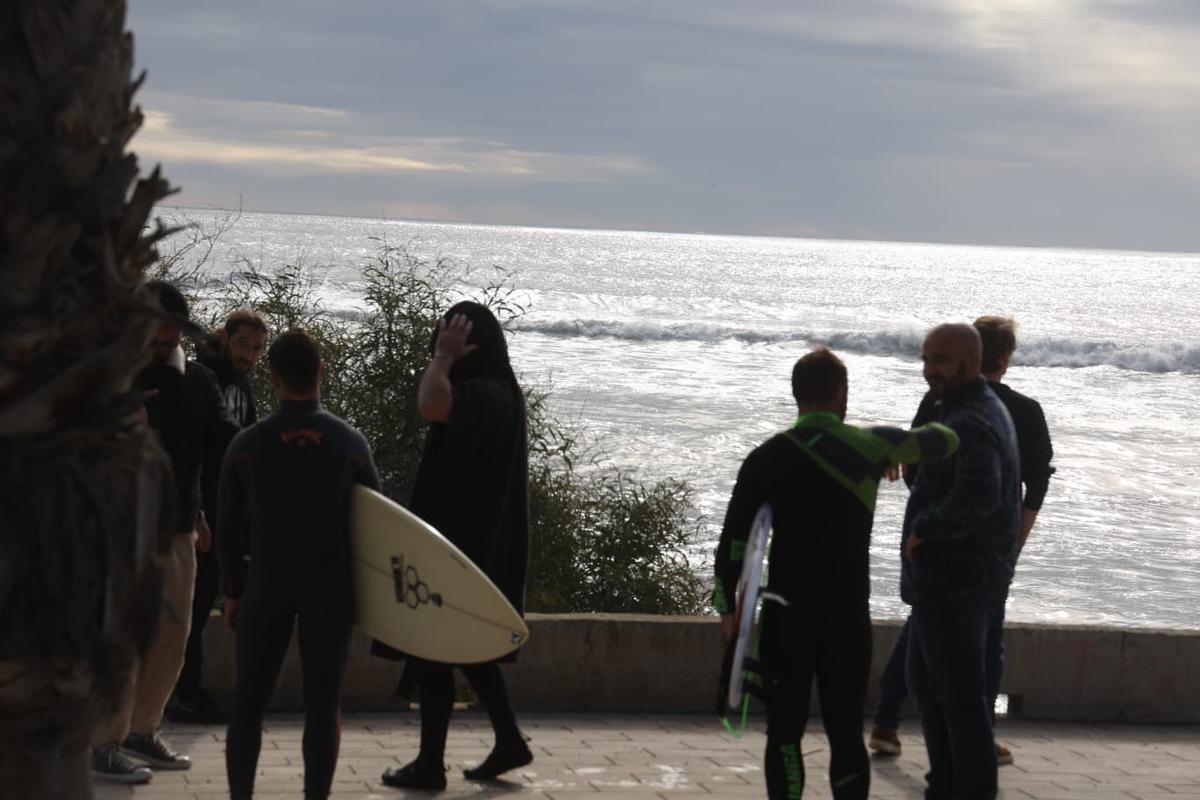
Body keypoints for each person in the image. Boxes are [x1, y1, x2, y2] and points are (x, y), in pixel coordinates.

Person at [713, 348, 960, 800]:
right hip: (846, 617)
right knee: (845, 733)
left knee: (783, 733)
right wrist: (893, 447)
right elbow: (946, 440)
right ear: (841, 394)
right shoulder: (872, 446)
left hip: (785, 617)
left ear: (796, 395)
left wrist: (727, 608)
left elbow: (734, 542)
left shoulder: (765, 458)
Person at [868, 317, 1054, 765]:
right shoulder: (1022, 411)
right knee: (983, 646)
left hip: (937, 550)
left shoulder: (938, 402)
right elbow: (1034, 485)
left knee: (923, 627)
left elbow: (912, 465)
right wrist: (1014, 539)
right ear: (1004, 357)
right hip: (985, 551)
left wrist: (926, 518)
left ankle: (888, 720)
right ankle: (976, 742)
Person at [218, 329, 381, 800]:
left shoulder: (247, 444)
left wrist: (233, 592)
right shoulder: (349, 443)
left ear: (274, 380)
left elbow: (228, 526)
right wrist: (368, 598)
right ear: (321, 372)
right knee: (323, 706)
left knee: (248, 705)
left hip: (265, 584)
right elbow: (376, 525)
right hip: (330, 588)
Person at [377, 302, 531, 792]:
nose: (438, 347)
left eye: (449, 339)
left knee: (434, 652)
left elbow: (431, 404)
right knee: (460, 652)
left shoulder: (486, 393)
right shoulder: (499, 390)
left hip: (461, 548)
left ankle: (430, 766)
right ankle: (508, 740)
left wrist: (443, 358)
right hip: (467, 546)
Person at [92, 280, 239, 783]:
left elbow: (223, 442)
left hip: (178, 528)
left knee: (173, 637)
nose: (163, 341)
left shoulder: (199, 381)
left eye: (170, 332)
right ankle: (103, 742)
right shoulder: (110, 379)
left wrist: (199, 513)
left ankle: (141, 732)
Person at [901, 323, 1020, 800]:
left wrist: (925, 529)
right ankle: (944, 785)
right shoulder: (962, 407)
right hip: (959, 580)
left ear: (972, 362)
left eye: (941, 361)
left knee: (959, 701)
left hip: (957, 581)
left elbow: (980, 496)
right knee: (929, 685)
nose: (930, 370)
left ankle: (964, 789)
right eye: (926, 359)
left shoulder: (970, 420)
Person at [169, 309, 268, 724]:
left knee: (204, 597)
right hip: (201, 510)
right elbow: (187, 450)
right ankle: (180, 692)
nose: (249, 355)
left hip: (225, 509)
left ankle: (189, 689)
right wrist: (196, 511)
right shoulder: (203, 379)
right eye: (243, 344)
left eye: (257, 348)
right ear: (224, 338)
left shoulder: (240, 383)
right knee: (190, 603)